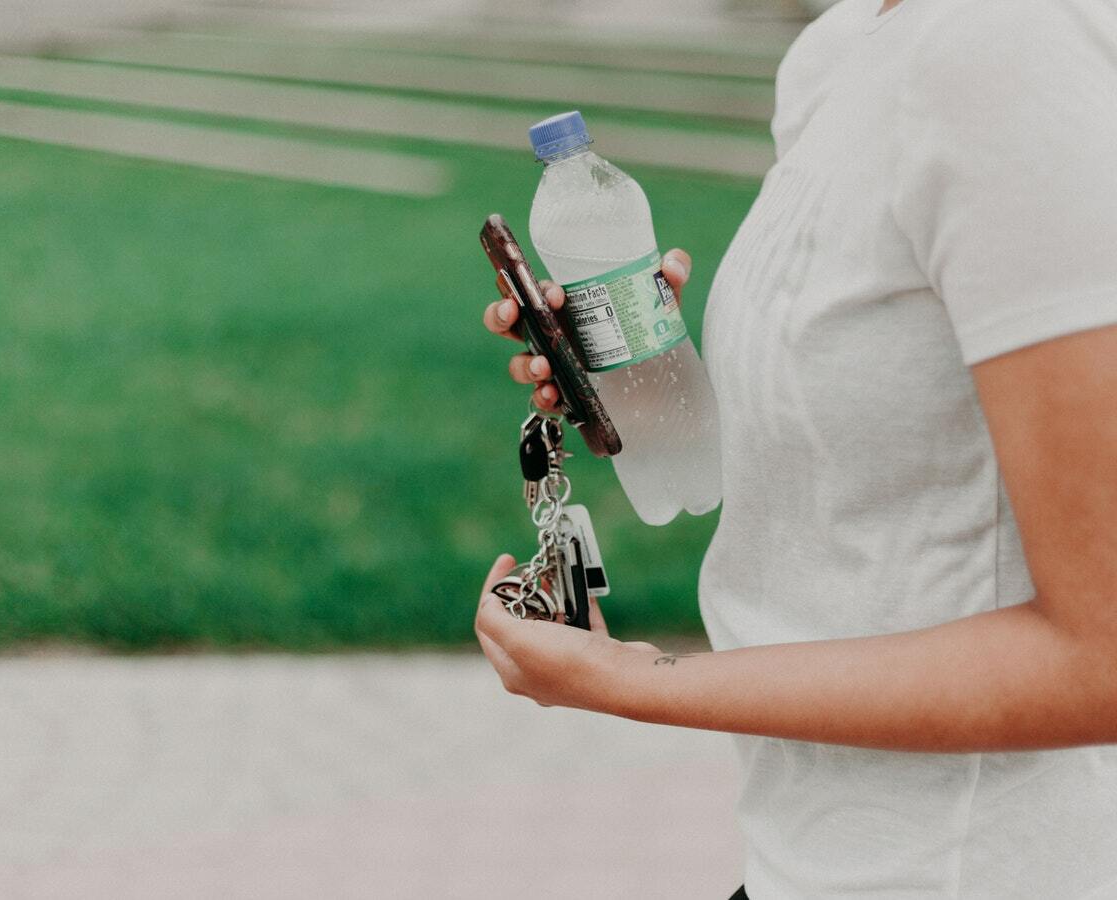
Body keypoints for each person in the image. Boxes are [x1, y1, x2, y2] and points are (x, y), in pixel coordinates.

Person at [475, 0, 1117, 896]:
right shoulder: (838, 50)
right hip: (800, 864)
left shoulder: (1010, 43)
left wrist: (635, 680)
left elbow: (1103, 656)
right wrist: (634, 369)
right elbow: (883, 432)